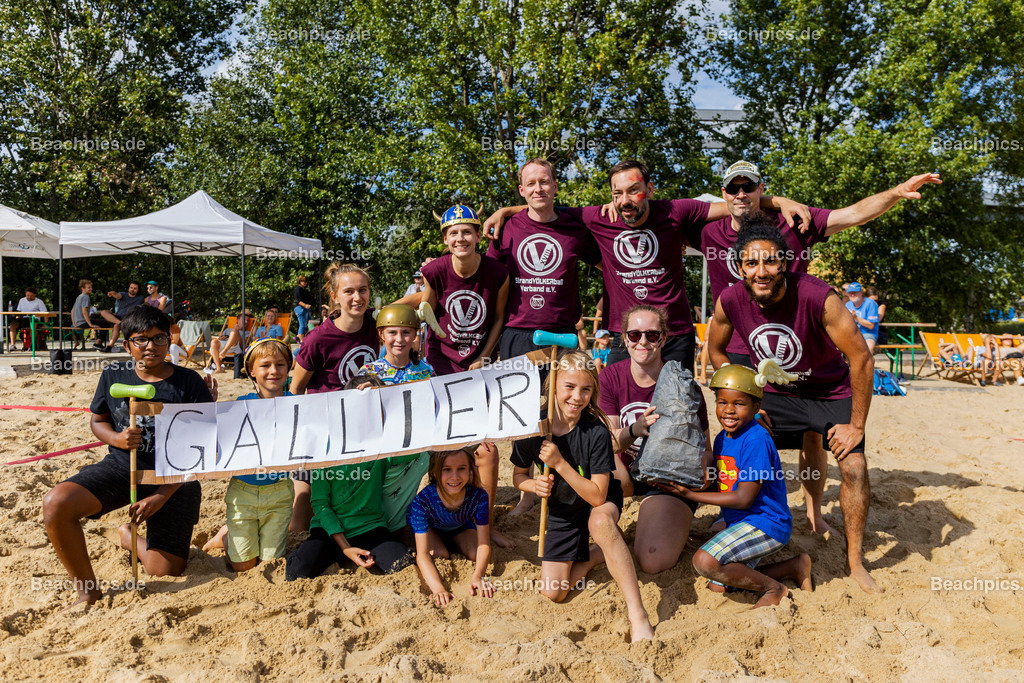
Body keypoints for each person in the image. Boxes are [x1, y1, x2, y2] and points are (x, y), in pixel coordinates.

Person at [485, 159, 811, 370]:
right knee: (614, 412)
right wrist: (505, 211)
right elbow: (541, 206)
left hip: (674, 334)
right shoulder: (595, 217)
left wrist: (778, 201)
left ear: (649, 189)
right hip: (622, 334)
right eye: (618, 193)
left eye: (634, 191)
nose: (625, 200)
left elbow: (734, 205)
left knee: (680, 410)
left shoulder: (675, 210)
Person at [707, 214, 880, 593]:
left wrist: (857, 426)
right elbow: (716, 350)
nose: (761, 270)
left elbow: (862, 358)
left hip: (828, 391)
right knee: (736, 438)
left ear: (784, 262)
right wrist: (749, 394)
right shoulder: (731, 298)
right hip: (774, 394)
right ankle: (740, 518)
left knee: (852, 465)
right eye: (751, 262)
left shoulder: (819, 296)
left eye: (770, 260)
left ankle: (854, 563)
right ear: (740, 267)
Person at [41, 306, 216, 605]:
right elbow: (98, 421)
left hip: (175, 478)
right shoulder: (113, 374)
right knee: (57, 503)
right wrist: (117, 439)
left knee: (164, 570)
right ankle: (87, 589)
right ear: (127, 345)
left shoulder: (189, 382)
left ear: (169, 339)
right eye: (141, 340)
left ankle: (129, 538)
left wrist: (161, 495)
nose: (151, 347)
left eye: (160, 338)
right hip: (123, 467)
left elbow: (204, 449)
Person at [511, 350, 654, 642]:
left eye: (586, 389)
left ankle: (637, 613)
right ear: (552, 386)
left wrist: (560, 463)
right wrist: (533, 487)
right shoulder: (533, 430)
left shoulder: (596, 432)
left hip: (596, 503)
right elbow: (518, 476)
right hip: (562, 509)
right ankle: (595, 556)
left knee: (600, 523)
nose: (577, 396)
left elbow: (598, 496)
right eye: (569, 387)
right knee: (553, 591)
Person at [657, 365, 813, 607]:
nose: (728, 410)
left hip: (766, 524)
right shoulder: (722, 438)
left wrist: (690, 494)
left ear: (756, 408)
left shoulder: (756, 440)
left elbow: (743, 499)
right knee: (718, 584)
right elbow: (720, 479)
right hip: (742, 523)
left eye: (739, 404)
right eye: (722, 402)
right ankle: (793, 566)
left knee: (705, 562)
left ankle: (775, 589)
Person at [404, 205, 511, 548]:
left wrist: (484, 355)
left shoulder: (497, 271)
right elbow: (426, 309)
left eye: (467, 231)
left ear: (478, 236)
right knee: (438, 449)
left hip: (478, 369)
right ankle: (428, 517)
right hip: (440, 367)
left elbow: (497, 318)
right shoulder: (433, 270)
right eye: (453, 233)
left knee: (486, 451)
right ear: (445, 239)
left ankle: (487, 521)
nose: (461, 238)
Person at [597, 305, 713, 574]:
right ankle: (604, 531)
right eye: (635, 334)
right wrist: (635, 429)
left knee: (653, 561)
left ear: (663, 339)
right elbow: (608, 444)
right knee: (597, 455)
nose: (643, 342)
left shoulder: (684, 383)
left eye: (651, 335)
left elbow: (705, 449)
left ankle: (651, 523)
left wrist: (698, 482)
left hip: (666, 481)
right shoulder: (611, 377)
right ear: (624, 339)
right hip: (624, 475)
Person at [290, 263, 380, 533]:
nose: (357, 297)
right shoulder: (317, 338)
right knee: (301, 518)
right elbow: (295, 390)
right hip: (322, 431)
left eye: (363, 290)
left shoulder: (377, 325)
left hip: (363, 429)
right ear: (335, 296)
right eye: (349, 291)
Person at [485, 158, 601, 358]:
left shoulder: (574, 229)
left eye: (544, 182)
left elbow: (607, 266)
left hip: (563, 335)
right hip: (516, 335)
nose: (538, 189)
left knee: (563, 391)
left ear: (555, 187)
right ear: (522, 190)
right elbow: (486, 279)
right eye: (531, 183)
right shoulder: (505, 228)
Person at [201, 339, 295, 572]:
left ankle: (229, 535)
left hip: (280, 492)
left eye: (280, 364)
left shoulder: (299, 405)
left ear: (288, 368)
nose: (273, 371)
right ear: (252, 371)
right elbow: (214, 438)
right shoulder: (241, 405)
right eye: (265, 365)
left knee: (270, 563)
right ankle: (225, 538)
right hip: (242, 492)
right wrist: (210, 407)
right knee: (243, 566)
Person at [359, 304, 433, 534]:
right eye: (392, 332)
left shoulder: (427, 371)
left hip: (418, 448)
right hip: (382, 450)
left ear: (415, 335)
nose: (399, 339)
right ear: (381, 334)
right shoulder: (368, 371)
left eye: (406, 332)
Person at [407, 449, 494, 606]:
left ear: (471, 471)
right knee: (440, 554)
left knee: (475, 554)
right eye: (447, 469)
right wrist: (438, 589)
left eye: (461, 468)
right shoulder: (422, 501)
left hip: (459, 525)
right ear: (434, 472)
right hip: (430, 527)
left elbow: (484, 544)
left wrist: (478, 575)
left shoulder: (479, 496)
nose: (455, 477)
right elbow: (423, 554)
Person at [98, 281, 145, 352]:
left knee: (116, 326)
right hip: (117, 318)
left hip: (129, 319)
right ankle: (121, 323)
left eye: (135, 288)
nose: (132, 289)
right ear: (129, 288)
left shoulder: (140, 298)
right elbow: (117, 295)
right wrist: (112, 293)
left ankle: (109, 347)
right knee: (103, 312)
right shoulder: (123, 294)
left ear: (138, 290)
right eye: (131, 287)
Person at [71, 279, 109, 347]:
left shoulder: (79, 297)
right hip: (83, 322)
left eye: (91, 287)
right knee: (106, 323)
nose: (91, 289)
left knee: (101, 323)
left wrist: (74, 324)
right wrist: (90, 324)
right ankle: (98, 343)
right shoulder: (85, 297)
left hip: (78, 323)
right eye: (89, 288)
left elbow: (72, 311)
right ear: (82, 288)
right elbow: (84, 311)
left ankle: (98, 342)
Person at [845, 283, 881, 354]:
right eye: (850, 293)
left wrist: (855, 317)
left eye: (855, 292)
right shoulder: (848, 305)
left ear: (861, 293)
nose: (852, 295)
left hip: (868, 334)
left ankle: (866, 364)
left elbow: (871, 325)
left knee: (866, 352)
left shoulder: (870, 303)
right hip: (852, 334)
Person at [293, 274, 314, 343]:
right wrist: (305, 305)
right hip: (300, 308)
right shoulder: (298, 289)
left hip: (306, 309)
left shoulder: (304, 290)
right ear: (300, 282)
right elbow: (298, 301)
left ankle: (305, 337)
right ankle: (301, 339)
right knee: (302, 324)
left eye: (305, 281)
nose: (305, 283)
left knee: (309, 323)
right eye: (303, 281)